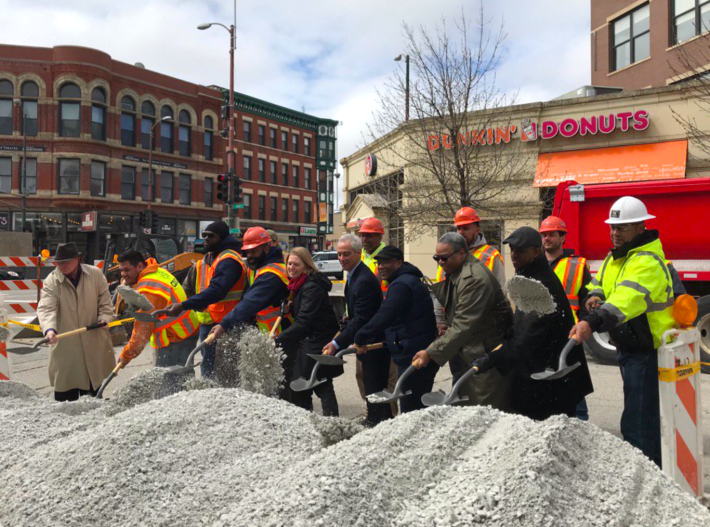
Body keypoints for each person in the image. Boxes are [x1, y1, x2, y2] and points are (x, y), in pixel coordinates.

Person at [571, 197, 675, 467]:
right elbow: (600, 282)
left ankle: (647, 472)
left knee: (639, 422)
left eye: (623, 228)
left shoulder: (647, 261)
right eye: (613, 227)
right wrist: (595, 294)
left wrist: (591, 321)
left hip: (646, 352)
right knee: (639, 415)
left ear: (641, 227)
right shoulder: (616, 256)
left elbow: (626, 299)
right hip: (630, 347)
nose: (615, 233)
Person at [469, 227, 594, 421]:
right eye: (512, 250)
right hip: (544, 376)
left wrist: (491, 359)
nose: (514, 255)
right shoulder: (531, 277)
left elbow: (526, 339)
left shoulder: (539, 285)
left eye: (520, 250)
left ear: (536, 252)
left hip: (548, 383)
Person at [412, 232, 513, 410]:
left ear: (461, 253)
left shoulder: (474, 279)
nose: (440, 262)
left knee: (485, 412)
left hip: (487, 356)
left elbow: (463, 324)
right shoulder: (457, 272)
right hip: (472, 352)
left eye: (444, 258)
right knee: (469, 408)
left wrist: (430, 352)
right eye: (437, 258)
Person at [353, 246, 439, 413]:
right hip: (412, 349)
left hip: (414, 354)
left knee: (412, 408)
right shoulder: (405, 280)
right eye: (379, 263)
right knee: (415, 405)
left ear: (399, 263)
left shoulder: (402, 284)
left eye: (386, 262)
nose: (381, 266)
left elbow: (386, 314)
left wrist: (361, 336)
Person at [323, 233, 391, 426]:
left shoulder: (364, 280)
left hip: (373, 344)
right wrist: (348, 318)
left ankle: (378, 424)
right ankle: (378, 421)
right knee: (371, 388)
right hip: (365, 340)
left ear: (358, 253)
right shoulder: (354, 275)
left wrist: (337, 343)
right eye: (339, 254)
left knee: (375, 389)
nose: (342, 259)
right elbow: (358, 314)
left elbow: (362, 319)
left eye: (346, 254)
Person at [163, 221, 245, 377]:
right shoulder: (206, 262)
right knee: (208, 364)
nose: (205, 239)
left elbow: (217, 291)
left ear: (222, 238)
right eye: (204, 235)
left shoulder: (228, 260)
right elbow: (187, 289)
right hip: (208, 322)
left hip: (228, 323)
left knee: (226, 368)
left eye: (211, 236)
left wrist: (183, 306)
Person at [37, 243, 115, 402]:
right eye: (59, 263)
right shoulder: (52, 281)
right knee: (66, 396)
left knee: (93, 394)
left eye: (66, 261)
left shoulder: (95, 274)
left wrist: (104, 319)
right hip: (67, 346)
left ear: (77, 259)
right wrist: (49, 329)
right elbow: (46, 308)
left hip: (93, 339)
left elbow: (106, 303)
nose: (62, 266)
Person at [275, 247, 342, 416]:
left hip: (318, 341)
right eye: (289, 263)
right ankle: (324, 420)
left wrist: (278, 339)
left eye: (296, 264)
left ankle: (328, 421)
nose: (291, 267)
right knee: (316, 383)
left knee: (313, 384)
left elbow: (304, 321)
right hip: (313, 339)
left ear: (307, 266)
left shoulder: (311, 287)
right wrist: (292, 307)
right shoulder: (301, 284)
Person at [539, 215, 593, 421]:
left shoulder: (577, 265)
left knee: (573, 383)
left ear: (562, 238)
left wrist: (583, 324)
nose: (547, 239)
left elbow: (587, 300)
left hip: (569, 334)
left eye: (552, 234)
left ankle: (580, 422)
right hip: (542, 334)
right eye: (544, 235)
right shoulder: (535, 263)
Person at [116, 250, 199, 368]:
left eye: (127, 270)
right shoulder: (157, 271)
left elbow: (143, 331)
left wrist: (126, 355)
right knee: (182, 376)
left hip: (176, 337)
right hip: (186, 331)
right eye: (121, 270)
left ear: (140, 266)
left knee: (170, 381)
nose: (123, 274)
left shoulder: (149, 288)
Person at [209, 226, 290, 340]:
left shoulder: (271, 274)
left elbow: (251, 301)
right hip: (270, 331)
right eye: (247, 252)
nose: (250, 256)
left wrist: (224, 324)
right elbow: (247, 295)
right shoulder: (260, 267)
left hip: (281, 332)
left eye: (254, 251)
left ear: (266, 248)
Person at [357, 217, 398, 414]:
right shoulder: (361, 258)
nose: (364, 239)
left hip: (383, 325)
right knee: (361, 374)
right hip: (365, 324)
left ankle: (388, 414)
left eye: (369, 235)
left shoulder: (386, 258)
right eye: (362, 235)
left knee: (388, 376)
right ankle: (371, 409)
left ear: (379, 236)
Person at [434, 207, 505, 287]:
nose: (461, 232)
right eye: (459, 228)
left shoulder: (491, 255)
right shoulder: (449, 255)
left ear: (477, 230)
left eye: (465, 228)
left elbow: (501, 291)